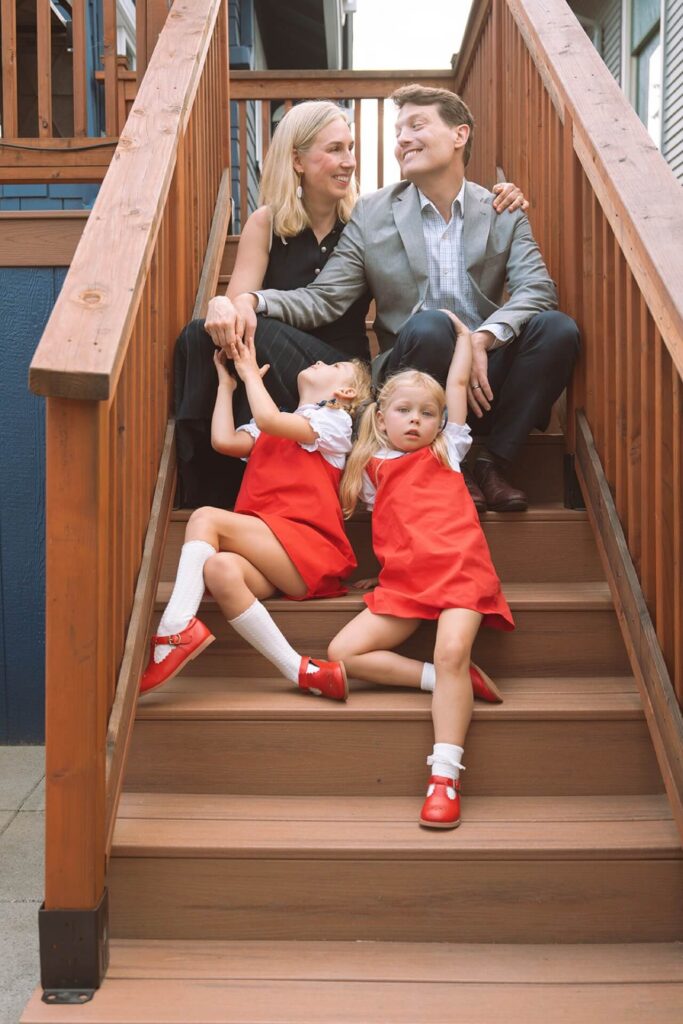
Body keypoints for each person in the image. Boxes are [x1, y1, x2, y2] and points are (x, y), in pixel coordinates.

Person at [232, 85, 580, 513]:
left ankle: (492, 462)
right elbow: (324, 298)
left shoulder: (500, 209)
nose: (402, 139)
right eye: (398, 131)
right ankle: (448, 461)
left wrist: (484, 338)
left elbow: (538, 289)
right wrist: (254, 299)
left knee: (558, 329)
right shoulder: (371, 213)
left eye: (417, 125)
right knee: (433, 324)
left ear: (459, 135)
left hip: (486, 383)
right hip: (415, 378)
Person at [328, 315, 513, 828]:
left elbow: (456, 383)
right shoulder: (371, 470)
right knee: (343, 652)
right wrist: (378, 573)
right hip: (406, 582)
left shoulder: (447, 451)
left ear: (438, 423)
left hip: (458, 572)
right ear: (381, 417)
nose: (415, 420)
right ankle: (447, 681)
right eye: (403, 411)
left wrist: (464, 340)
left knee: (451, 646)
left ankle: (445, 776)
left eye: (426, 413)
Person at [140, 336, 372, 700]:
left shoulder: (333, 422)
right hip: (273, 553)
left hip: (306, 548)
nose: (320, 363)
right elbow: (224, 441)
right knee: (220, 570)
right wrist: (226, 386)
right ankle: (300, 670)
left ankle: (173, 628)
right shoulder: (274, 424)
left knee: (205, 518)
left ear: (344, 392)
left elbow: (268, 417)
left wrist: (250, 373)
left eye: (334, 365)